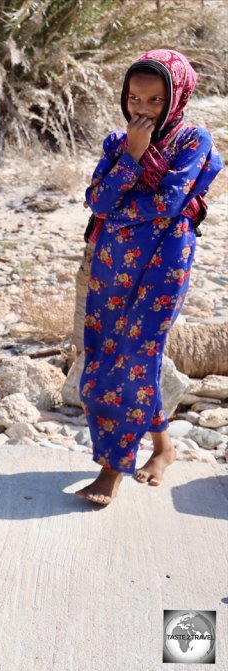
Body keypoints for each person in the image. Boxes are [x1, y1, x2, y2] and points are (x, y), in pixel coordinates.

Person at [75, 50, 222, 505]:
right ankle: (164, 447)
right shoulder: (117, 144)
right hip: (112, 262)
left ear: (176, 97)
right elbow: (97, 201)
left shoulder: (194, 140)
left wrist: (121, 202)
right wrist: (132, 159)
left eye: (155, 100)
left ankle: (112, 469)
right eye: (135, 97)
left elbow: (167, 204)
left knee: (136, 353)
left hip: (164, 263)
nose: (142, 108)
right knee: (106, 353)